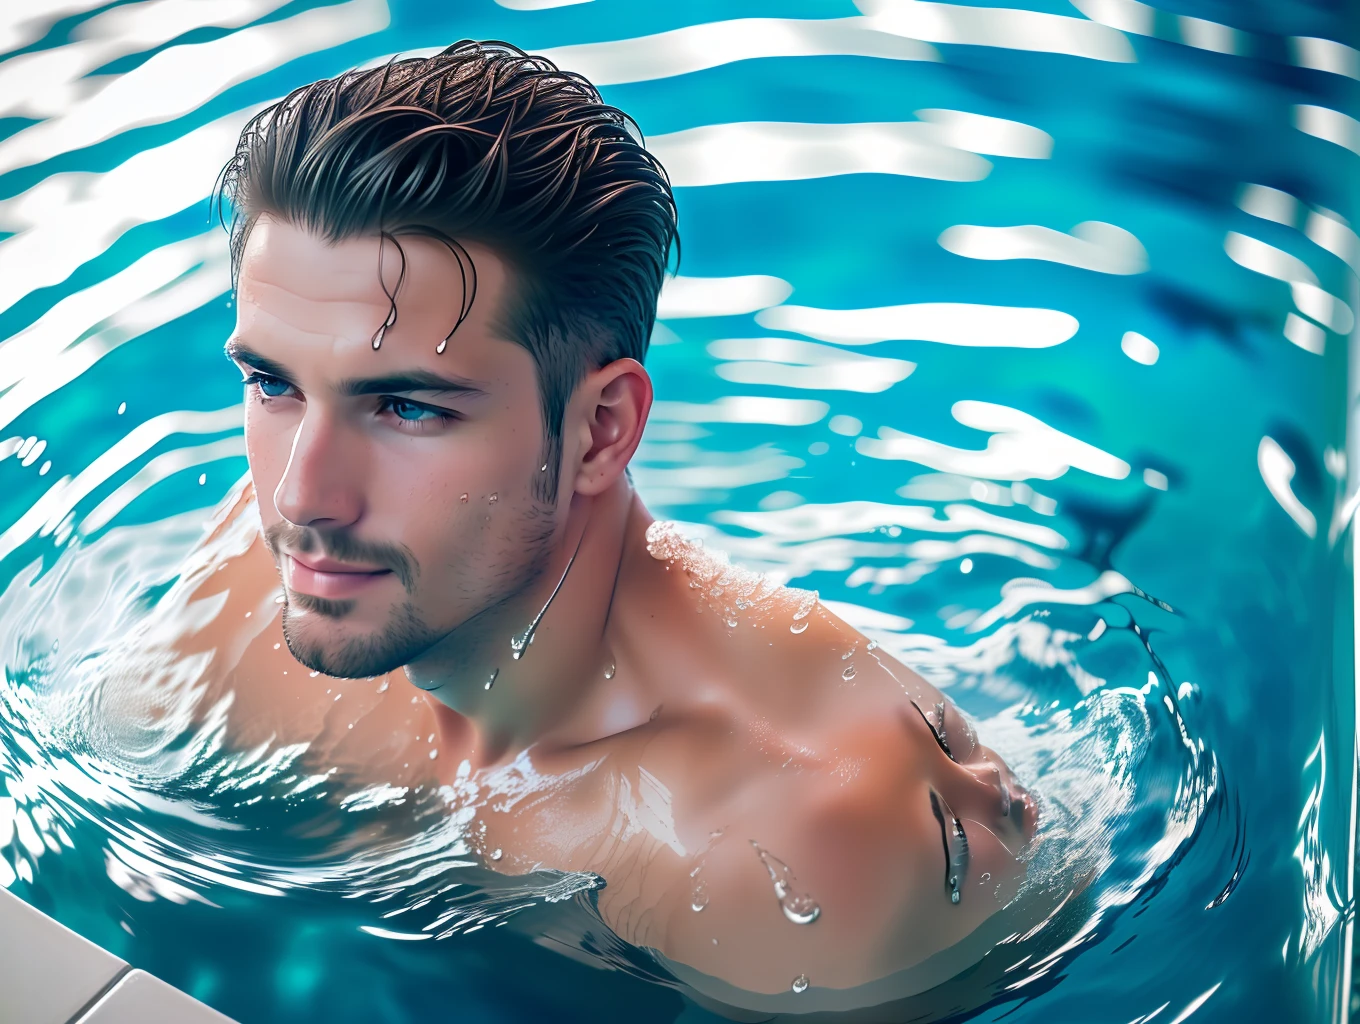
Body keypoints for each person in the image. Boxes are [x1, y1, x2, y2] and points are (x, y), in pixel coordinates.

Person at [140, 38, 1037, 1015]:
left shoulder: (796, 849)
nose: (302, 496)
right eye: (272, 384)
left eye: (406, 407)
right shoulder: (263, 566)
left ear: (599, 428)